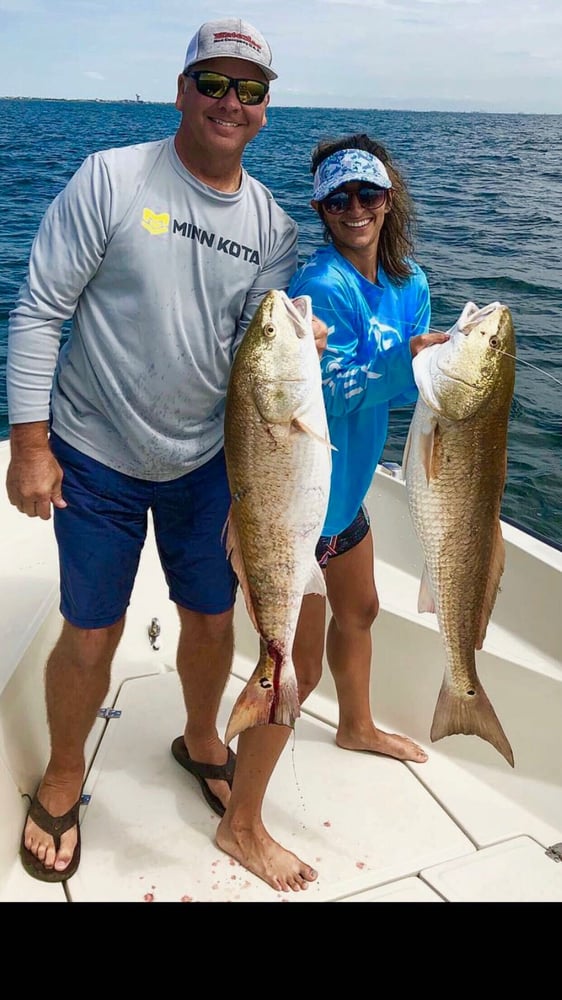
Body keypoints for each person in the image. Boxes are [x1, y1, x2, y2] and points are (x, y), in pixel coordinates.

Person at [6, 17, 326, 894]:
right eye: (215, 83)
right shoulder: (110, 177)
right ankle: (67, 771)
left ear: (266, 110)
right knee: (93, 626)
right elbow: (40, 309)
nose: (232, 103)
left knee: (215, 620)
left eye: (250, 90)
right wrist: (29, 444)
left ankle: (202, 738)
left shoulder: (271, 228)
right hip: (95, 451)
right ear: (183, 89)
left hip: (205, 463)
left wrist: (306, 344)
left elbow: (261, 350)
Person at [288, 134, 449, 762]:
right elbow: (329, 393)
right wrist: (407, 361)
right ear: (322, 210)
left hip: (349, 492)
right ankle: (231, 770)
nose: (355, 209)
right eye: (338, 200)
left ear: (389, 199)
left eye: (369, 193)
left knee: (360, 611)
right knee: (295, 664)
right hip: (300, 503)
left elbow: (415, 388)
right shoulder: (319, 285)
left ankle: (356, 725)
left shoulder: (411, 284)